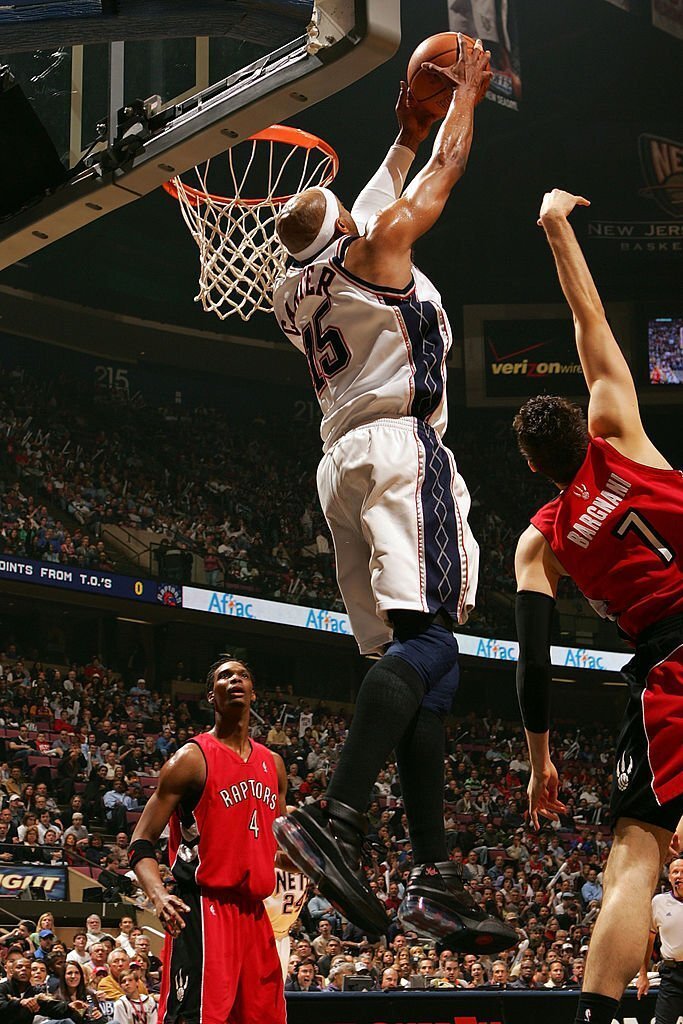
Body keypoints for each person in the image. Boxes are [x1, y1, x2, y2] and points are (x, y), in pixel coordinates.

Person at [272, 37, 514, 955]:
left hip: (339, 464)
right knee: (438, 639)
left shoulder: (295, 288)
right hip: (400, 448)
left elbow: (373, 201)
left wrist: (402, 136)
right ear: (347, 222)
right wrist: (464, 100)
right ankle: (336, 816)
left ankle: (433, 876)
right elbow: (440, 181)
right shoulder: (376, 248)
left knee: (418, 667)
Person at [512, 189, 683, 1024]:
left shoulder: (541, 540)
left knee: (634, 857)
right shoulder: (619, 433)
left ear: (534, 467)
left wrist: (539, 760)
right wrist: (555, 223)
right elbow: (589, 319)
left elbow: (532, 662)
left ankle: (595, 1017)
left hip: (669, 658)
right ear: (584, 430)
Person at [129, 656, 288, 1024]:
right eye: (224, 676)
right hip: (204, 910)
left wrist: (321, 859)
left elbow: (280, 851)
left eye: (243, 675)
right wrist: (158, 895)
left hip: (255, 914)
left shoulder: (274, 765)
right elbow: (141, 840)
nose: (235, 680)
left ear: (253, 693)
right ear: (211, 696)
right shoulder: (190, 759)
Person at [637, 856, 683, 1023]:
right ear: (669, 877)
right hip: (672, 975)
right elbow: (648, 940)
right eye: (675, 872)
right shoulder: (659, 902)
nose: (679, 876)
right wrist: (643, 974)